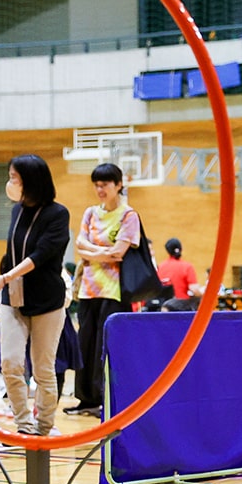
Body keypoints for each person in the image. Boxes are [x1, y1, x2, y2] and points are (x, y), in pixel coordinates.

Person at [0, 154, 70, 436]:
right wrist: (1, 284)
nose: (10, 183)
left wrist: (7, 277)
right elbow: (12, 253)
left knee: (43, 369)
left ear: (31, 181)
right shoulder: (15, 211)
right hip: (14, 298)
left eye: (14, 178)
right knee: (10, 363)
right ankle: (23, 426)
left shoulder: (58, 214)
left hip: (47, 300)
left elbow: (40, 254)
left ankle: (44, 427)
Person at [68, 162, 140, 418]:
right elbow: (80, 245)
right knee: (84, 346)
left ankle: (105, 399)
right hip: (88, 291)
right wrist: (104, 253)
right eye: (96, 185)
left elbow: (119, 253)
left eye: (105, 184)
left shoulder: (128, 216)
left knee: (104, 348)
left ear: (118, 185)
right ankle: (85, 399)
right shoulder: (90, 213)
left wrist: (92, 252)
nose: (100, 189)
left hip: (114, 293)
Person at [156, 237, 203, 302]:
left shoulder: (160, 267)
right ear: (181, 249)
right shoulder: (187, 267)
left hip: (165, 305)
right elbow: (194, 289)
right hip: (182, 305)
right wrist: (202, 295)